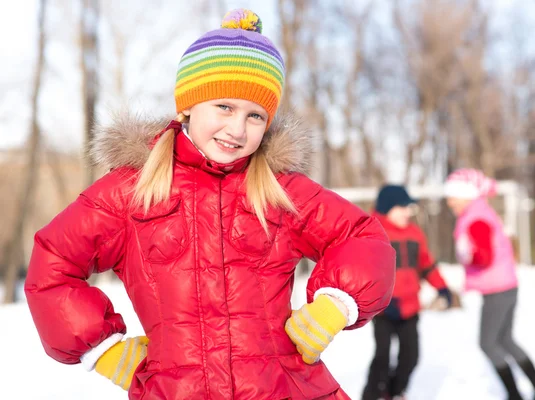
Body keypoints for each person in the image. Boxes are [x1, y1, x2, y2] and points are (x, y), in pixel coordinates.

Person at [24, 9, 396, 400]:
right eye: (224, 107)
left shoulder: (280, 190)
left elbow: (362, 238)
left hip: (282, 388)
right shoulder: (132, 191)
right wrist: (101, 348)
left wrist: (336, 302)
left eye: (255, 115)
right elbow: (53, 264)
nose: (237, 129)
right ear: (187, 105)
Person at [444, 169, 535, 400]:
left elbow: (483, 256)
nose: (449, 202)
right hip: (504, 286)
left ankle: (515, 394)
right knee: (505, 340)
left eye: (452, 197)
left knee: (488, 344)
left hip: (497, 289)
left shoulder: (476, 218)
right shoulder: (479, 212)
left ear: (466, 195)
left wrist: (467, 255)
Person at [362, 185, 453, 400]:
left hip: (410, 306)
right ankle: (371, 395)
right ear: (387, 208)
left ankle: (394, 392)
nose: (408, 212)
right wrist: (382, 298)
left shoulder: (414, 233)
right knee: (382, 356)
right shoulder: (373, 232)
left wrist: (442, 286)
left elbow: (426, 264)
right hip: (384, 309)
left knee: (410, 356)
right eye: (402, 207)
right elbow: (366, 272)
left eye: (408, 207)